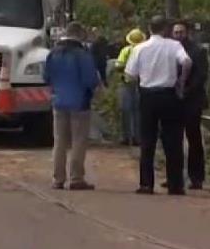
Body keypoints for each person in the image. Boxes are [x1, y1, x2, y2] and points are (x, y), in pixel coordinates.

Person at [125, 16, 192, 195]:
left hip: (147, 95)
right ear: (166, 29)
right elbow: (186, 62)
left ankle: (146, 183)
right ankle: (175, 184)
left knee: (147, 140)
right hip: (169, 94)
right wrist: (181, 82)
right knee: (173, 140)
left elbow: (130, 74)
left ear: (149, 28)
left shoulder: (139, 48)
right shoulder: (174, 46)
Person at [43, 22, 101, 190]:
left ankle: (57, 178)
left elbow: (46, 76)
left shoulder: (53, 53)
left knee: (59, 141)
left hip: (58, 101)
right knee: (78, 141)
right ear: (79, 34)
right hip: (79, 102)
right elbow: (90, 79)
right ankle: (76, 178)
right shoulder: (82, 54)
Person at [172, 20, 210, 189]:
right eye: (176, 32)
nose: (179, 35)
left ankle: (196, 177)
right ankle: (175, 176)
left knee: (194, 139)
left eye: (181, 32)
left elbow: (201, 76)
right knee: (174, 139)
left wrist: (185, 90)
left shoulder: (198, 51)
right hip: (174, 100)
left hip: (193, 100)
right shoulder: (170, 50)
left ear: (187, 33)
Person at [114, 28, 146, 146]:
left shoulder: (126, 50)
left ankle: (126, 137)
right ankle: (138, 137)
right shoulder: (145, 50)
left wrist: (126, 70)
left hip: (127, 83)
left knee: (126, 110)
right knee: (138, 111)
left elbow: (118, 66)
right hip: (142, 83)